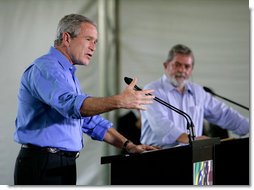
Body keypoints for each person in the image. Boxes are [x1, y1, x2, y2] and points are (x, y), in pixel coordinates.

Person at [14, 14, 159, 185]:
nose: (93, 47)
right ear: (67, 38)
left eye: (95, 42)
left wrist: (128, 145)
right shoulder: (47, 68)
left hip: (62, 164)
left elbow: (89, 121)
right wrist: (119, 101)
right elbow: (72, 107)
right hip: (43, 164)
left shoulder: (66, 73)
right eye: (89, 39)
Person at [140, 44, 249, 148]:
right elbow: (160, 124)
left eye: (187, 66)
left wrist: (249, 127)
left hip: (194, 154)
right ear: (166, 65)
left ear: (191, 70)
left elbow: (224, 114)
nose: (182, 70)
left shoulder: (198, 91)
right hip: (159, 156)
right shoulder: (151, 90)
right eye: (177, 65)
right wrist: (192, 139)